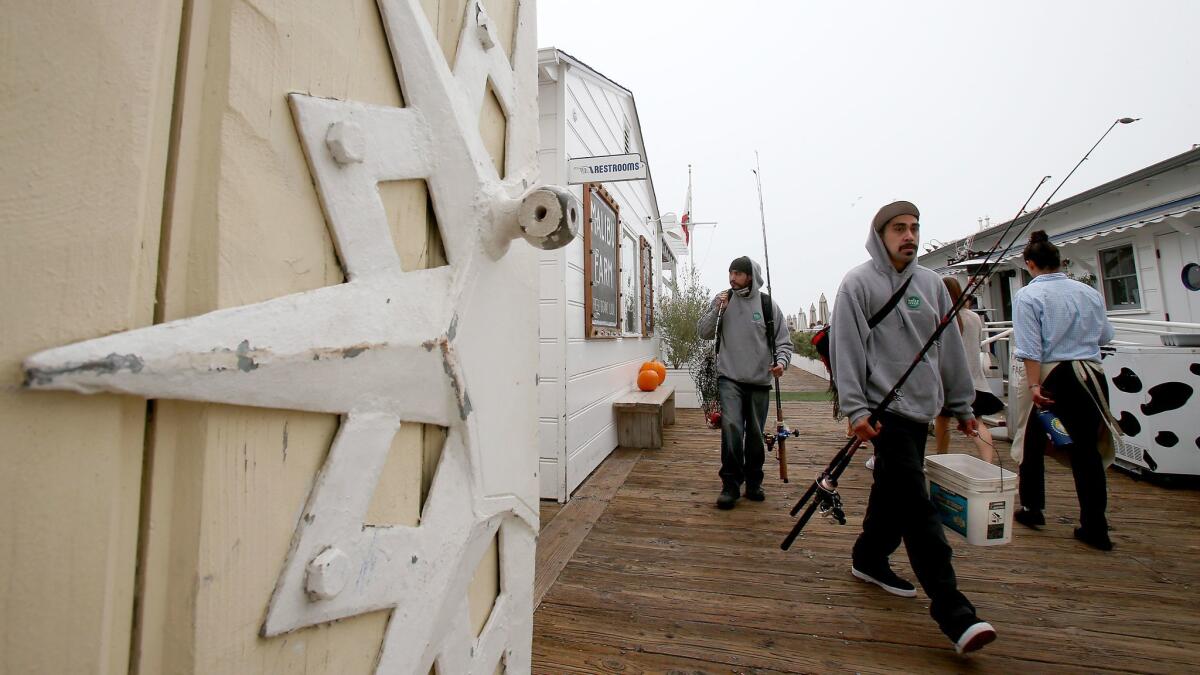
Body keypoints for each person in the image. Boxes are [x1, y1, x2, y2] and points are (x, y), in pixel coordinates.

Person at [830, 200, 996, 654]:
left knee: (892, 493)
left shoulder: (931, 285)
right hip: (885, 412)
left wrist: (963, 405)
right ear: (880, 235)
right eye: (899, 228)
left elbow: (949, 348)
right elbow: (846, 351)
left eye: (915, 228)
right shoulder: (856, 285)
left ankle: (868, 557)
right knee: (917, 508)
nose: (909, 235)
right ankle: (954, 611)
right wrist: (856, 410)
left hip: (923, 410)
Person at [1009, 231, 1118, 551]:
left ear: (1030, 264)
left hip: (1053, 375)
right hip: (1090, 376)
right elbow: (1105, 336)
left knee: (1030, 441)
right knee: (1087, 452)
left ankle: (1032, 508)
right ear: (1060, 262)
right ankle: (1095, 526)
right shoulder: (1088, 292)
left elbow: (1029, 348)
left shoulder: (1029, 296)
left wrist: (1033, 385)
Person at [697, 256, 793, 510]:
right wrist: (718, 309)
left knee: (753, 435)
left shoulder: (767, 304)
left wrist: (781, 363)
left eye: (737, 273)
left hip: (760, 380)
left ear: (750, 276)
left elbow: (784, 342)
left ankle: (753, 482)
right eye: (730, 273)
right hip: (729, 377)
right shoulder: (723, 300)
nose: (732, 278)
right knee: (731, 428)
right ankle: (730, 484)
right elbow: (703, 332)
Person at [933, 278, 1003, 463]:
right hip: (975, 380)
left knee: (942, 420)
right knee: (977, 423)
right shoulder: (973, 317)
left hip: (948, 382)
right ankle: (987, 462)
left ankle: (941, 456)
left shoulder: (943, 318)